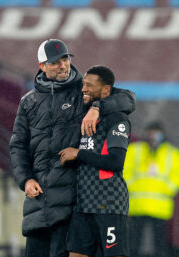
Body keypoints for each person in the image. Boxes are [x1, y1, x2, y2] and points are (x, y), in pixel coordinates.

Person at [9, 39, 135, 257]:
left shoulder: (83, 92)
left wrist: (98, 107)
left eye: (65, 59)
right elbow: (18, 146)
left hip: (71, 201)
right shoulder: (28, 102)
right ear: (42, 66)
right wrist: (25, 179)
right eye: (56, 62)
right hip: (38, 202)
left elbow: (128, 99)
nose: (63, 65)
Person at [59, 65, 131, 257]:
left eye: (90, 85)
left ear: (106, 89)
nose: (84, 89)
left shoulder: (117, 119)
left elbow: (116, 162)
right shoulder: (84, 115)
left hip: (108, 203)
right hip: (83, 204)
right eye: (83, 84)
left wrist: (79, 154)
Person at [123, 121, 179, 257]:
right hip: (137, 206)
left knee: (159, 245)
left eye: (156, 133)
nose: (153, 137)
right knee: (134, 244)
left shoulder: (172, 153)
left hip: (160, 207)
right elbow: (124, 171)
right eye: (150, 133)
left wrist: (167, 189)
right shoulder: (135, 150)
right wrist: (132, 186)